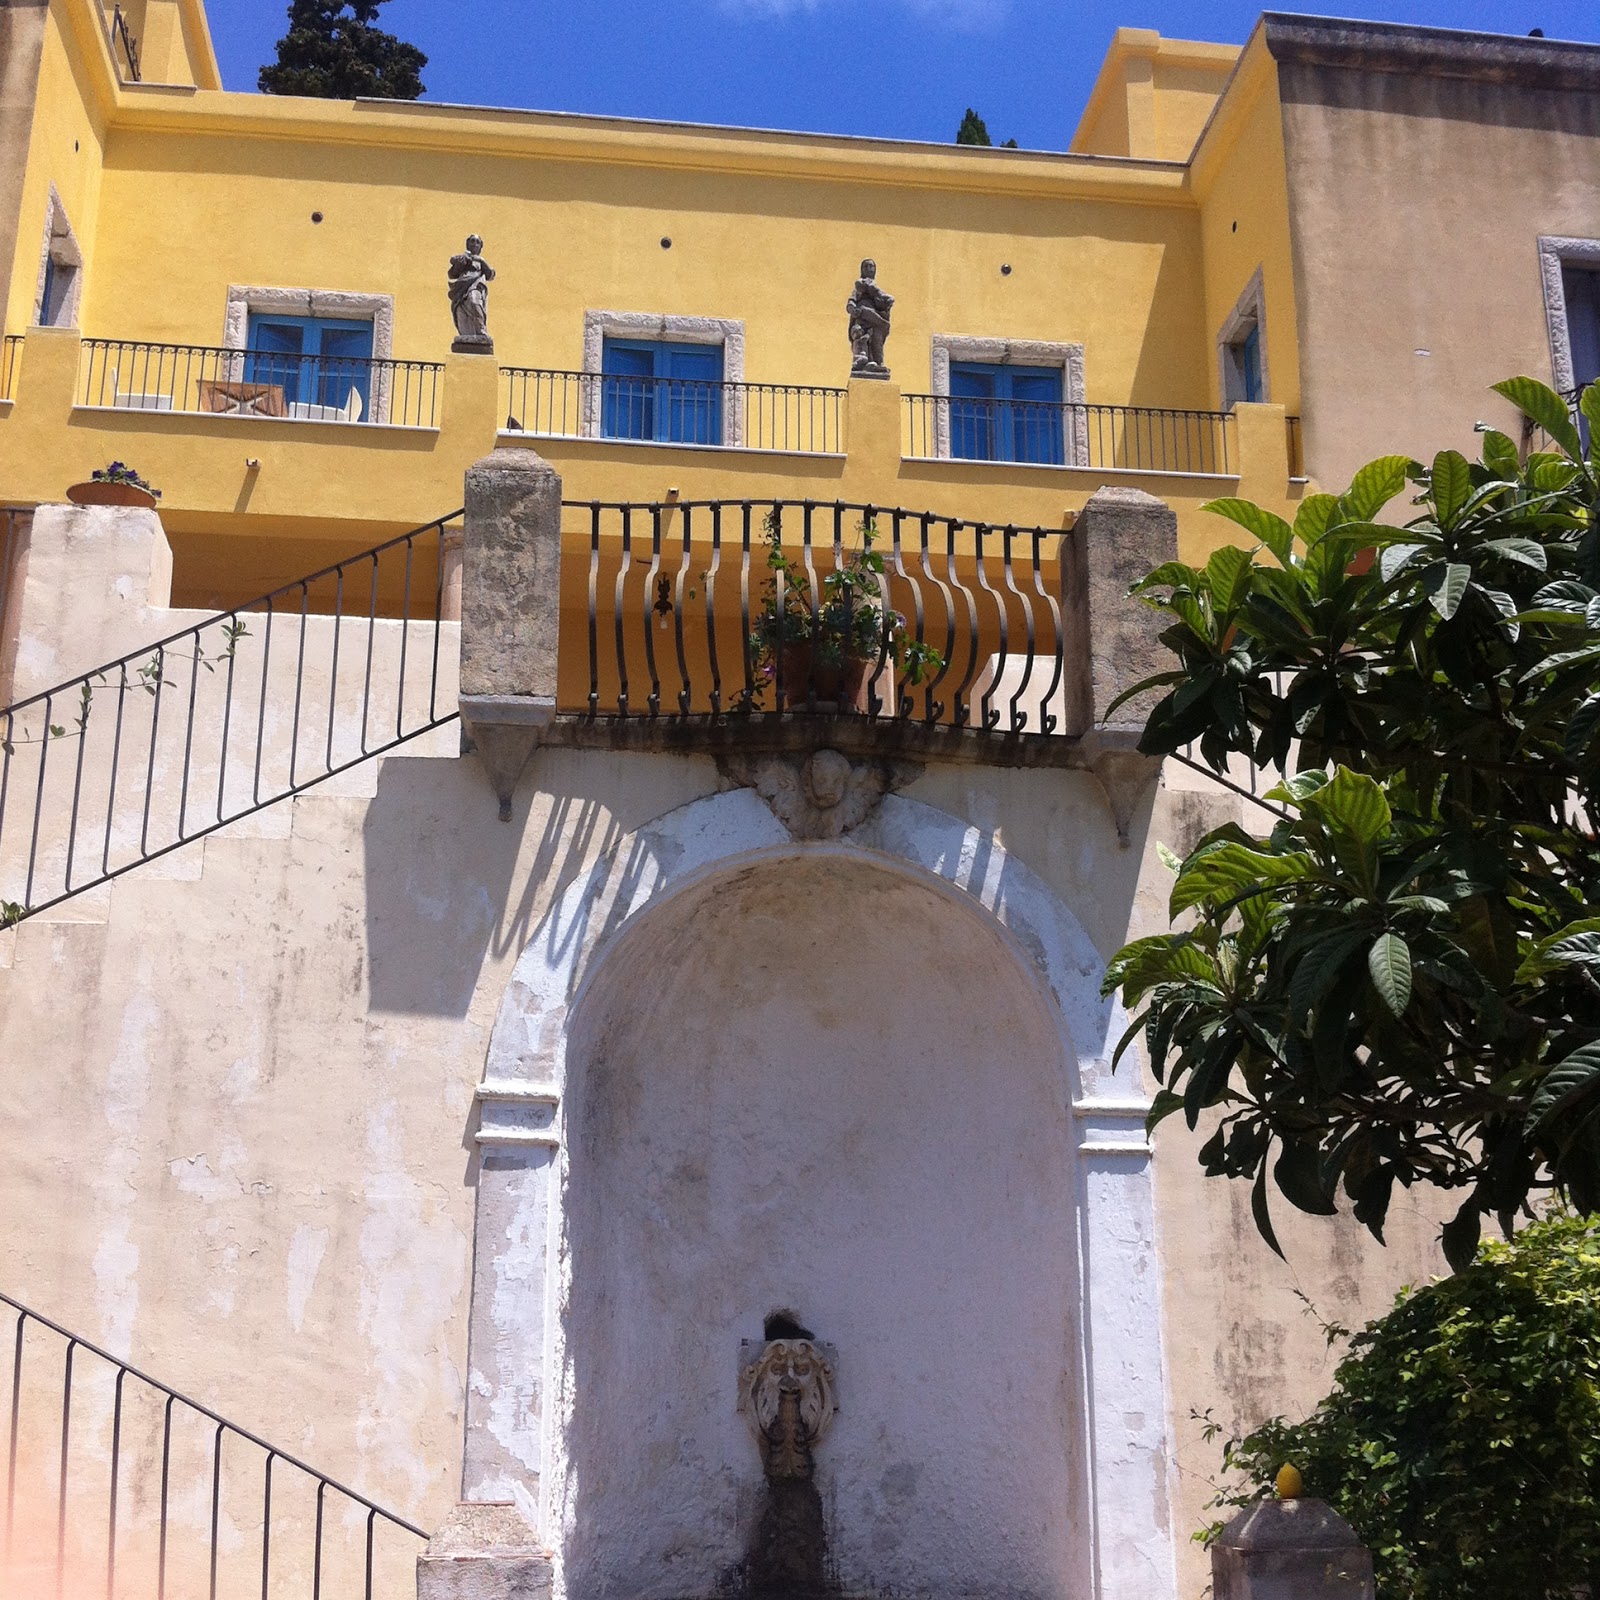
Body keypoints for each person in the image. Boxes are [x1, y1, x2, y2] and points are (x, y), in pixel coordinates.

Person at [846, 259, 893, 376]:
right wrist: (853, 309)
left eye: (871, 266)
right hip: (862, 315)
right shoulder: (859, 286)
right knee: (860, 336)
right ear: (862, 270)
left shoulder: (876, 289)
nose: (869, 269)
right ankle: (861, 360)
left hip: (875, 318)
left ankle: (878, 363)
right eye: (866, 267)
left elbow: (885, 302)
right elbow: (851, 301)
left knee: (877, 340)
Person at [448, 235, 495, 346]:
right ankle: (465, 335)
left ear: (481, 246)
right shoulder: (463, 258)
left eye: (477, 242)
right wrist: (460, 263)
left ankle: (481, 331)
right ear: (467, 244)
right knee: (461, 310)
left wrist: (481, 260)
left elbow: (490, 275)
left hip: (475, 285)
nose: (474, 244)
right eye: (472, 241)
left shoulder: (480, 261)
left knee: (475, 303)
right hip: (461, 287)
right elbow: (452, 274)